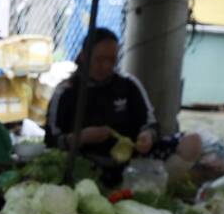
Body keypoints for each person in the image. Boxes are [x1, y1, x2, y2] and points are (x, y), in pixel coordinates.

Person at [45, 27, 202, 185]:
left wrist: (147, 136)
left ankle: (151, 188)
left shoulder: (128, 85)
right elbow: (51, 139)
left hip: (133, 161)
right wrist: (80, 137)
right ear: (84, 56)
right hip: (85, 165)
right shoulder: (66, 91)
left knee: (192, 142)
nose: (106, 66)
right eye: (99, 60)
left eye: (112, 60)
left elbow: (150, 124)